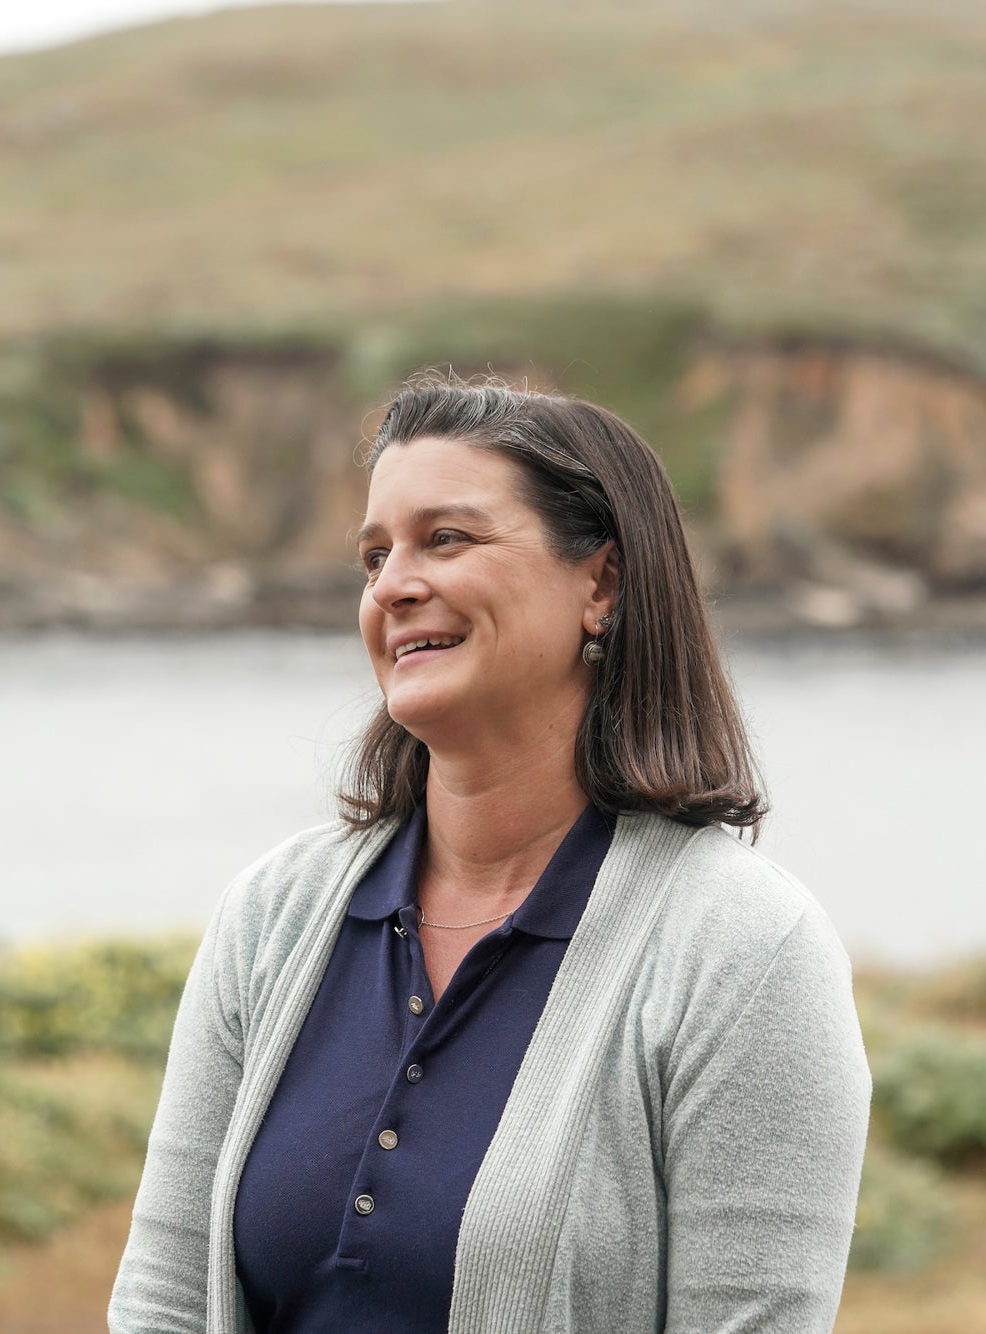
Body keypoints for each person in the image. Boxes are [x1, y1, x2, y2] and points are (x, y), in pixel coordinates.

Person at [108, 373, 871, 1333]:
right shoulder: (273, 915)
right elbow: (165, 1297)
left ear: (602, 583)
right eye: (374, 555)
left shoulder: (744, 951)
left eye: (448, 539)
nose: (393, 585)